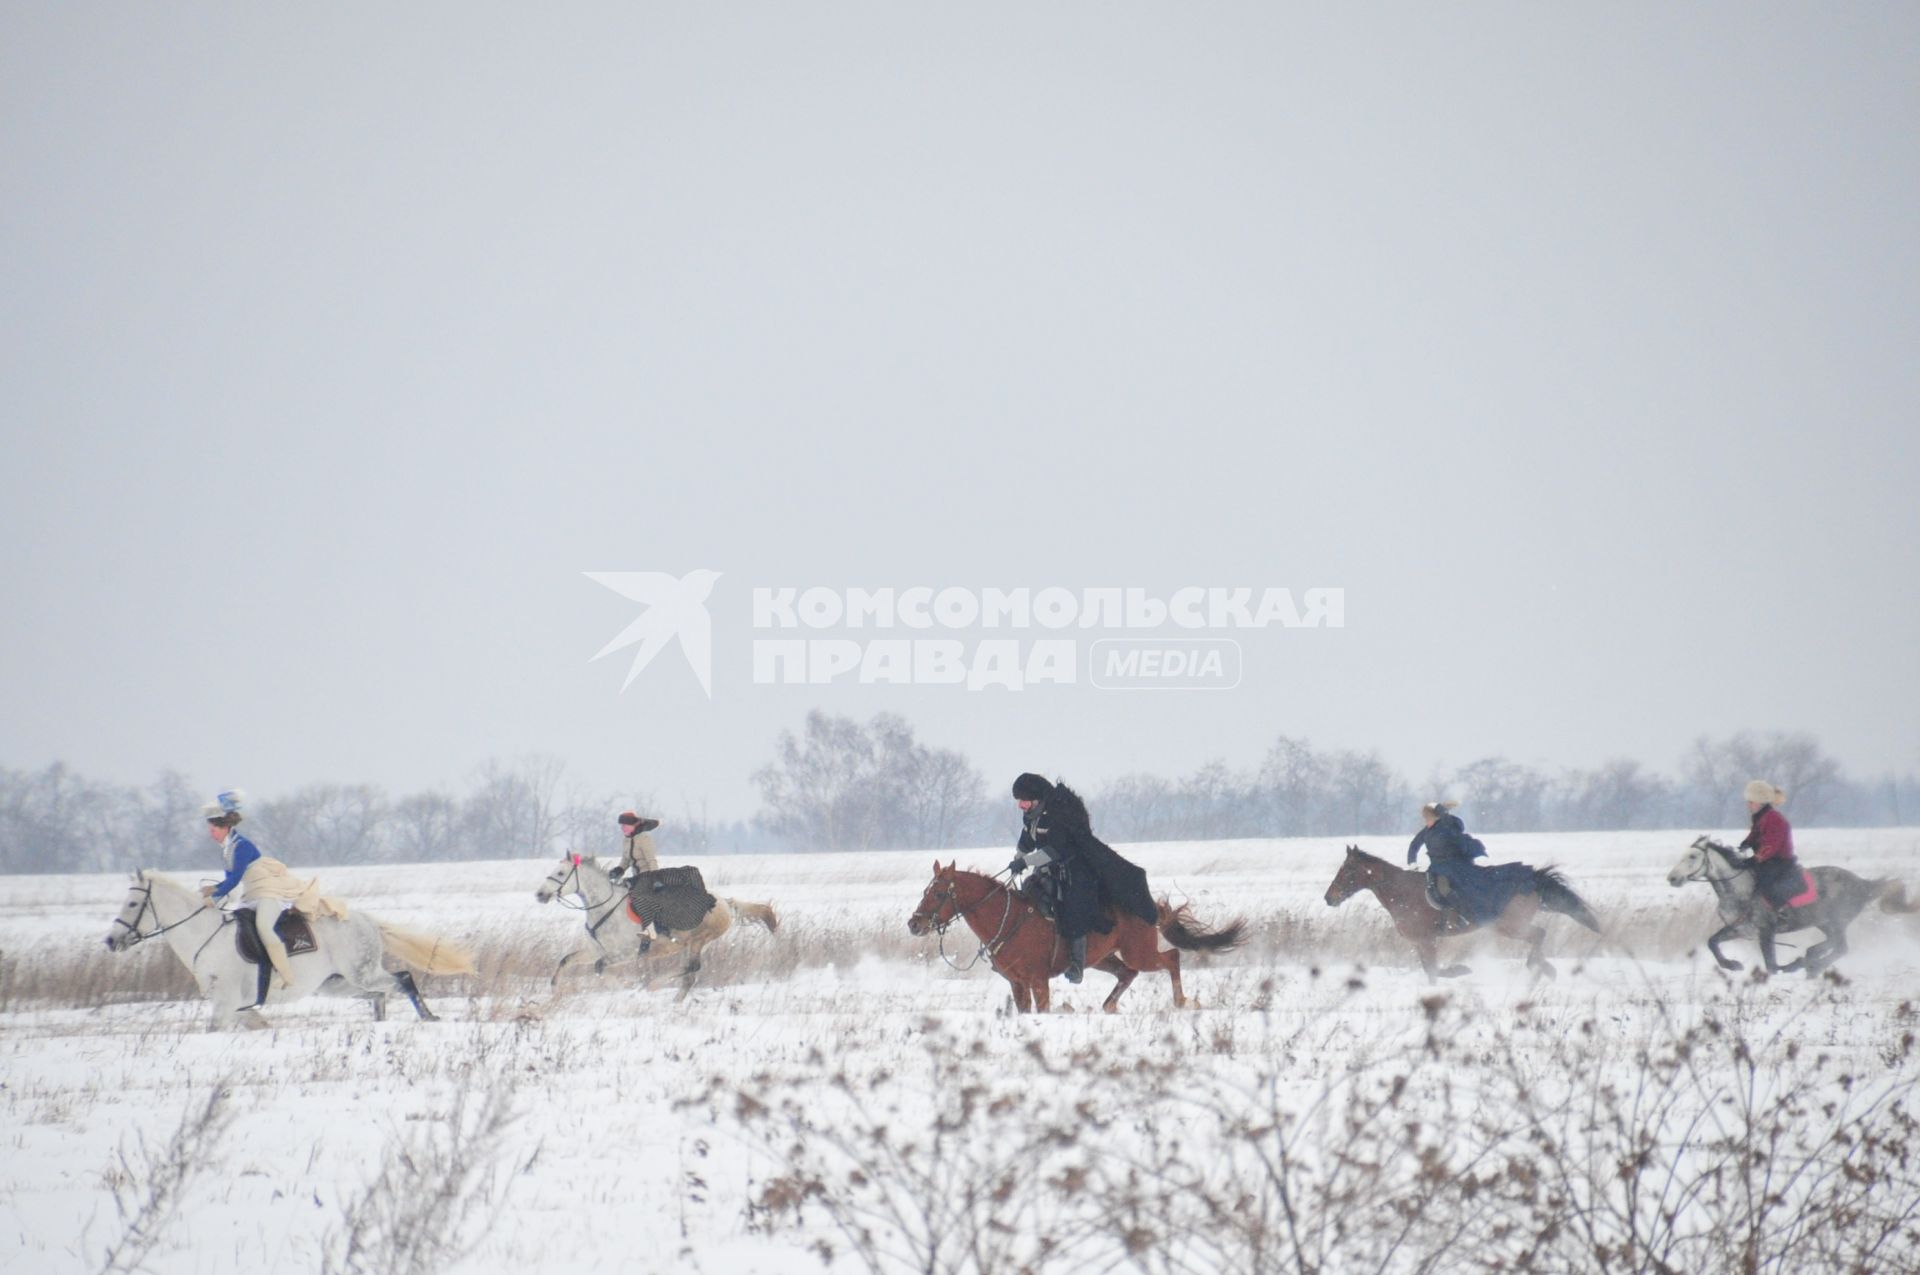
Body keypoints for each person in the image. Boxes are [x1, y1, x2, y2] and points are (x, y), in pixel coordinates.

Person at [1007, 773, 1156, 984]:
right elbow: (1026, 843)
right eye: (1019, 802)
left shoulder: (1056, 816)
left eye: (1023, 801)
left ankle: (1076, 964)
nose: (1020, 806)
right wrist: (1018, 860)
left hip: (1075, 872)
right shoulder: (1032, 816)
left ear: (1036, 799)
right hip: (1049, 869)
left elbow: (1054, 850)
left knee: (1073, 910)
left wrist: (1026, 862)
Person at [198, 790, 295, 995]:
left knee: (264, 927)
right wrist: (212, 899)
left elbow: (233, 880)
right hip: (251, 895)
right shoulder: (227, 849)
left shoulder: (242, 846)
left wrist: (214, 893)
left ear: (225, 827)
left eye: (213, 829)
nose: (211, 834)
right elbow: (230, 880)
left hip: (269, 892)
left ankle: (286, 975)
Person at [1406, 800, 1487, 911]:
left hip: (1454, 866)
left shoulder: (1447, 827)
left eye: (1428, 818)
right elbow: (1414, 845)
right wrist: (1412, 862)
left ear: (1435, 818)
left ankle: (1461, 911)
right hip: (1437, 867)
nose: (1426, 821)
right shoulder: (1427, 831)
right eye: (1425, 819)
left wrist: (1441, 810)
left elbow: (1459, 841)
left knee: (1445, 888)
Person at [1739, 779, 1803, 911]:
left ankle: (1781, 911)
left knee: (1764, 884)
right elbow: (1756, 834)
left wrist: (1756, 859)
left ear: (1760, 802)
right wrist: (1747, 843)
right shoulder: (1761, 816)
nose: (1748, 805)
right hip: (1768, 860)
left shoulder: (1773, 818)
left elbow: (1771, 845)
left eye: (1751, 802)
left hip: (1778, 861)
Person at [609, 811, 661, 886]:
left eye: (624, 825)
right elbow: (626, 860)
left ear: (632, 825)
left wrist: (656, 879)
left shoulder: (644, 839)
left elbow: (651, 860)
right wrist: (619, 870)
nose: (622, 828)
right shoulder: (626, 840)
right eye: (621, 826)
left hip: (647, 877)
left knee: (628, 886)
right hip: (635, 877)